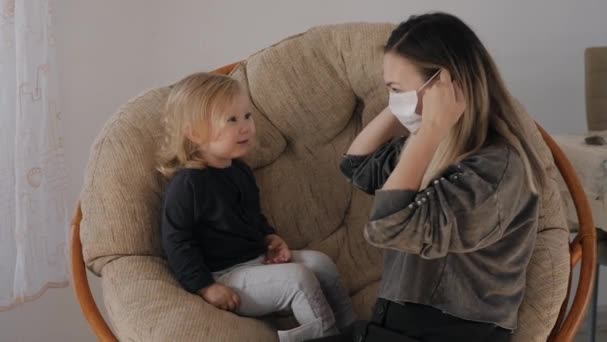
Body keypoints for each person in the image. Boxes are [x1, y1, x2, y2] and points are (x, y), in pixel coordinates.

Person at [309, 12, 545, 342]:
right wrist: (403, 106)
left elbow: (389, 227)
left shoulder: (496, 170)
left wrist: (431, 129)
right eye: (390, 90)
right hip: (391, 329)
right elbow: (356, 166)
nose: (394, 101)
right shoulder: (436, 148)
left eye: (397, 90)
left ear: (444, 87)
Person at [157, 72, 355, 342]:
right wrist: (206, 287)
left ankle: (354, 330)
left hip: (257, 261)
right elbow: (176, 241)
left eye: (247, 116)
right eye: (231, 120)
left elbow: (252, 216)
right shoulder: (188, 185)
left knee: (322, 263)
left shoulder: (239, 170)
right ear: (194, 132)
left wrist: (269, 237)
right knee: (298, 279)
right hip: (225, 275)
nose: (245, 127)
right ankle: (328, 337)